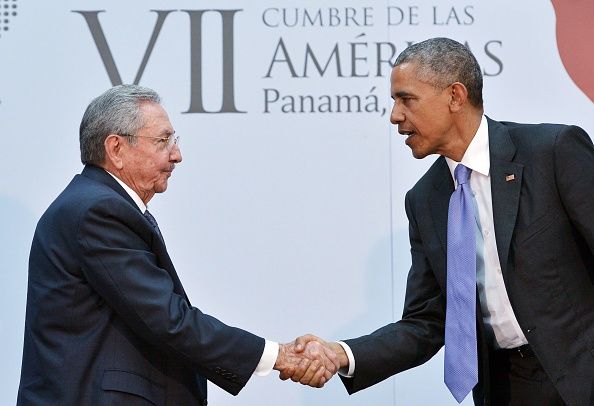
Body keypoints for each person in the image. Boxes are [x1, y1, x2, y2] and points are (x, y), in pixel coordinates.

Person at [293, 37, 594, 405]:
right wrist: (341, 354)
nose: (394, 116)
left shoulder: (552, 152)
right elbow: (426, 323)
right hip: (508, 391)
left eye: (406, 99)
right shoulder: (424, 200)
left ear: (455, 96)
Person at [17, 85, 338, 406]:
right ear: (116, 148)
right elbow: (167, 320)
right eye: (162, 141)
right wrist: (278, 355)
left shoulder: (96, 204)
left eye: (174, 140)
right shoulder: (98, 211)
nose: (176, 154)